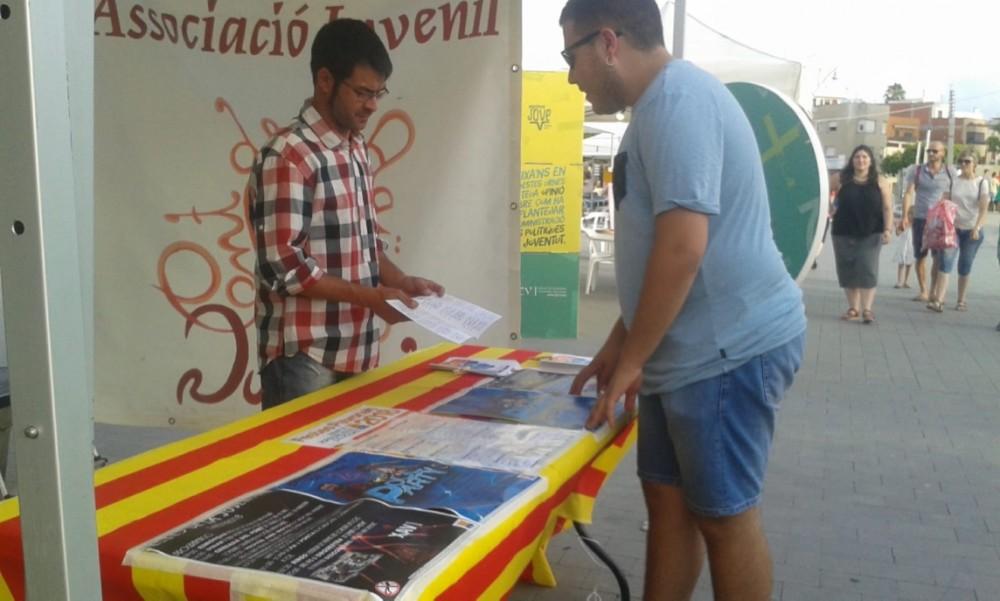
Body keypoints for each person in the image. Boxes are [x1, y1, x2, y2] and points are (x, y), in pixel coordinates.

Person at [559, 2, 806, 600]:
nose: (570, 77)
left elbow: (683, 248)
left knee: (724, 518)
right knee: (668, 506)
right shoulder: (656, 107)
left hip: (726, 350)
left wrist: (633, 359)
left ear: (609, 43)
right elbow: (657, 255)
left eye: (571, 56)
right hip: (686, 353)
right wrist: (620, 343)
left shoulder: (678, 101)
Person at [248, 19, 444, 410]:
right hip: (305, 356)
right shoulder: (288, 155)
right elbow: (284, 266)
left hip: (358, 349)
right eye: (362, 92)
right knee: (300, 453)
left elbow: (363, 243)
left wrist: (400, 281)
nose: (372, 105)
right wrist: (370, 297)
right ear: (325, 80)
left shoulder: (355, 147)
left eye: (378, 93)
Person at [830, 145, 893, 324]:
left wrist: (888, 229)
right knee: (848, 269)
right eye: (857, 157)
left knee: (867, 268)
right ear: (852, 160)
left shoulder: (880, 181)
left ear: (871, 161)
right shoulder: (841, 178)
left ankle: (867, 309)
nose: (861, 160)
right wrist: (830, 208)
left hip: (871, 232)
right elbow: (825, 192)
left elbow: (887, 207)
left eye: (865, 157)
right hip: (843, 231)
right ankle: (853, 308)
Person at [926, 150, 989, 312]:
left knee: (965, 265)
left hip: (972, 230)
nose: (963, 164)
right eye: (961, 161)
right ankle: (939, 300)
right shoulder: (953, 181)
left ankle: (961, 300)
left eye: (967, 161)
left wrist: (977, 227)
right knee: (945, 262)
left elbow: (983, 209)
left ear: (975, 164)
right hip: (952, 229)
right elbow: (945, 201)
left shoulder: (981, 183)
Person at [901, 141, 955, 302]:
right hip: (920, 218)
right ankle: (923, 290)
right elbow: (908, 193)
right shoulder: (917, 170)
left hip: (939, 220)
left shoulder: (950, 172)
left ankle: (933, 291)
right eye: (929, 150)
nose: (931, 153)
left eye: (935, 151)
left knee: (938, 256)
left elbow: (955, 194)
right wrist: (905, 216)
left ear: (943, 153)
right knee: (920, 256)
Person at [894, 205, 915, 288]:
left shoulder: (915, 225)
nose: (911, 216)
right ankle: (899, 281)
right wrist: (898, 228)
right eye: (910, 213)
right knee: (901, 263)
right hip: (903, 246)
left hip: (911, 246)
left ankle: (906, 281)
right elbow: (897, 233)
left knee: (909, 264)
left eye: (913, 214)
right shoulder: (903, 223)